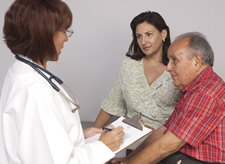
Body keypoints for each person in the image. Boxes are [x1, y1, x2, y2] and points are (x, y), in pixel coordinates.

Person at [0, 0, 124, 164]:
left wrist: (77, 135)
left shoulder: (19, 71)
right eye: (64, 30)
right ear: (44, 33)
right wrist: (103, 147)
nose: (66, 38)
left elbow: (36, 140)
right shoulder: (37, 92)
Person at [111, 32, 225, 164]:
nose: (168, 67)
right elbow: (164, 131)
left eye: (174, 60)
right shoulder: (195, 88)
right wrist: (128, 159)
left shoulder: (205, 93)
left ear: (196, 61)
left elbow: (167, 145)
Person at [94, 11, 180, 152]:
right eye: (138, 36)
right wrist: (92, 140)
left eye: (149, 34)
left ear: (163, 34)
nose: (143, 41)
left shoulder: (177, 68)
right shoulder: (128, 66)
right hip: (133, 146)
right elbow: (112, 103)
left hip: (166, 148)